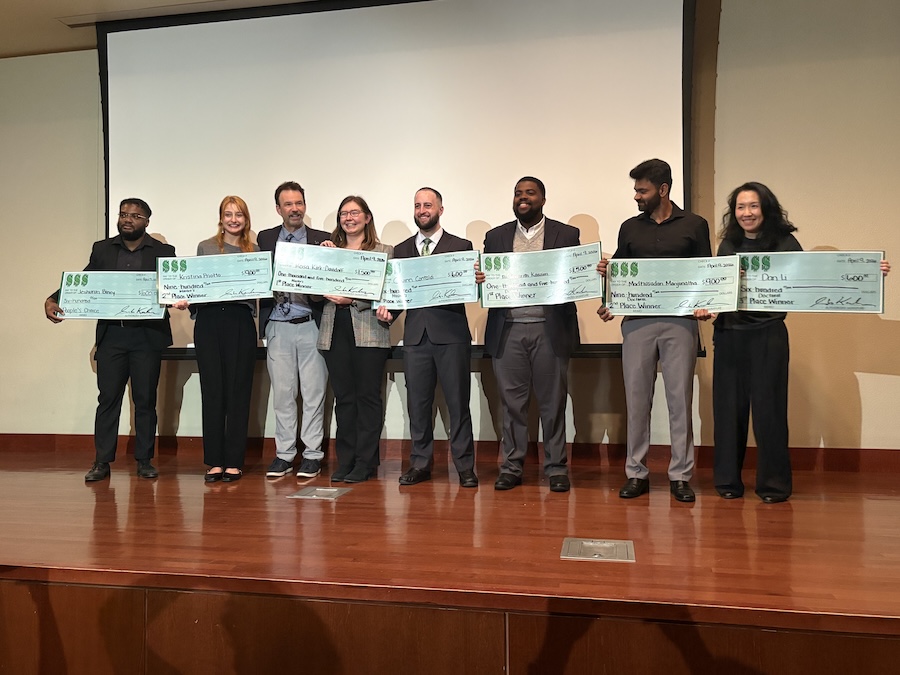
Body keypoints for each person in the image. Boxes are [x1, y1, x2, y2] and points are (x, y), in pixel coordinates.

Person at [696, 182, 890, 503]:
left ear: (766, 208)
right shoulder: (728, 244)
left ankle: (774, 486)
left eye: (753, 206)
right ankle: (728, 481)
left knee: (769, 411)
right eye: (741, 207)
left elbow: (817, 281)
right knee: (728, 410)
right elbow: (720, 291)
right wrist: (707, 308)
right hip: (729, 335)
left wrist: (871, 273)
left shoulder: (785, 242)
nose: (747, 213)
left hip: (768, 335)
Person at [598, 159, 711, 502]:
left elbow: (707, 270)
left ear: (662, 190)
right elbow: (621, 272)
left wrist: (707, 304)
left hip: (680, 323)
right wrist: (608, 287)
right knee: (637, 400)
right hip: (637, 323)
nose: (636, 196)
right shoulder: (629, 227)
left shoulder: (695, 224)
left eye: (642, 190)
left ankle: (680, 475)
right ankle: (637, 473)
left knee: (680, 400)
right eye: (635, 190)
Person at [44, 198, 175, 481]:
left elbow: (173, 287)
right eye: (124, 214)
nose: (128, 219)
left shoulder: (163, 251)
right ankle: (102, 462)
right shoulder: (102, 249)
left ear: (147, 222)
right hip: (112, 336)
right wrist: (55, 298)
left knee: (145, 400)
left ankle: (144, 460)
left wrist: (178, 298)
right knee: (107, 400)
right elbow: (86, 280)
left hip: (146, 337)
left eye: (136, 216)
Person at [479, 177, 580, 493]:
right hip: (508, 329)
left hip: (549, 330)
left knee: (553, 404)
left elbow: (577, 277)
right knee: (512, 405)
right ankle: (512, 466)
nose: (523, 198)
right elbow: (487, 284)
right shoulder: (495, 237)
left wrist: (595, 273)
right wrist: (478, 278)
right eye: (518, 193)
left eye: (530, 193)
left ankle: (556, 467)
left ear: (543, 199)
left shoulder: (566, 234)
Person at [375, 188, 478, 488]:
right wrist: (388, 313)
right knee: (418, 406)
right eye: (418, 205)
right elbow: (396, 294)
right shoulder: (402, 249)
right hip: (416, 339)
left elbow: (467, 289)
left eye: (428, 205)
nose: (422, 210)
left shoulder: (461, 246)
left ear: (440, 209)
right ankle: (420, 464)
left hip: (452, 337)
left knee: (458, 404)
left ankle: (465, 467)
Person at [173, 196, 258, 483]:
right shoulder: (205, 247)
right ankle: (214, 462)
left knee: (238, 390)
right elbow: (196, 286)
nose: (234, 219)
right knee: (212, 391)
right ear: (220, 218)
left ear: (246, 219)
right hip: (209, 322)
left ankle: (234, 461)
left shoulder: (255, 251)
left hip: (240, 322)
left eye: (239, 215)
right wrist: (187, 300)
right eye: (228, 214)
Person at [257, 182, 330, 479]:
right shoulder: (264, 239)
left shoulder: (322, 240)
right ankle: (285, 455)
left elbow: (334, 277)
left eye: (299, 203)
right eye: (288, 204)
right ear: (278, 209)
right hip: (277, 326)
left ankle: (312, 455)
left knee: (314, 393)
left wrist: (331, 254)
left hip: (311, 324)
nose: (295, 208)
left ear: (305, 205)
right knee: (283, 395)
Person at [318, 196, 393, 483]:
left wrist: (352, 298)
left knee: (368, 398)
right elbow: (312, 291)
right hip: (334, 328)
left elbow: (389, 294)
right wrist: (321, 259)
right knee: (344, 399)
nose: (349, 218)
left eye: (354, 212)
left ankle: (366, 462)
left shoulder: (385, 251)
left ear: (367, 217)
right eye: (343, 213)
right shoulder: (329, 251)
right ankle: (346, 460)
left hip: (369, 329)